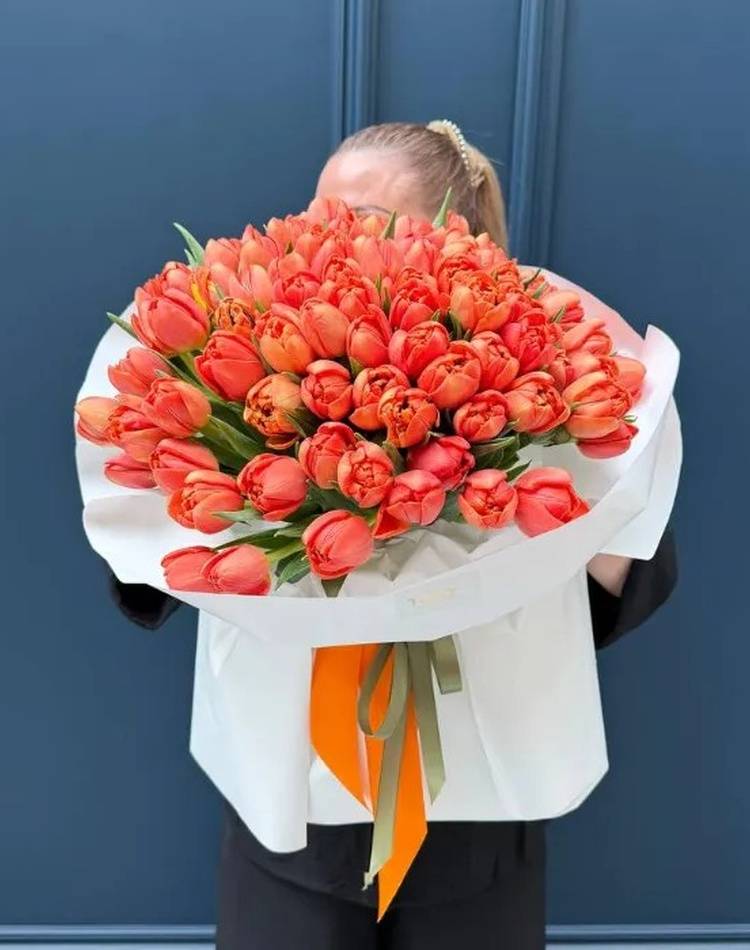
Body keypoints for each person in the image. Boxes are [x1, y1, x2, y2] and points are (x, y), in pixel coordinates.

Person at [110, 121, 678, 949]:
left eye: (364, 221)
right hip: (287, 806)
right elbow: (145, 568)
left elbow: (619, 599)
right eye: (316, 214)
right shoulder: (239, 346)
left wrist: (604, 499)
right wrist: (205, 473)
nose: (327, 241)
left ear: (456, 243)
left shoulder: (553, 366)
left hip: (479, 816)